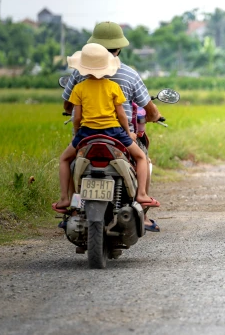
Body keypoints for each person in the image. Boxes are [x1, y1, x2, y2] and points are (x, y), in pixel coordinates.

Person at [54, 22, 162, 230]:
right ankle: (141, 199)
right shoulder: (127, 76)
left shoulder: (78, 77)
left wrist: (78, 133)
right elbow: (133, 111)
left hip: (86, 135)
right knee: (142, 157)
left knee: (67, 159)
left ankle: (69, 204)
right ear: (118, 49)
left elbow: (72, 111)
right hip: (117, 134)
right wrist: (129, 131)